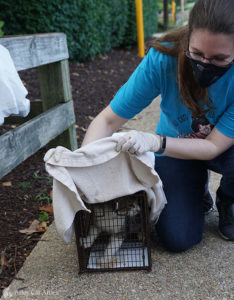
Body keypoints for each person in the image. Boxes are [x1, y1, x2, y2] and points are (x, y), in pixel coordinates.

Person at [81, 0, 234, 252]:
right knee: (177, 238)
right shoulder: (164, 58)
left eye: (219, 59)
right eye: (197, 54)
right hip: (177, 149)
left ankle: (229, 200)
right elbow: (108, 120)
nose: (205, 64)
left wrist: (155, 142)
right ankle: (196, 191)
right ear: (187, 39)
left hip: (221, 148)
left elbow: (213, 146)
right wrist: (86, 168)